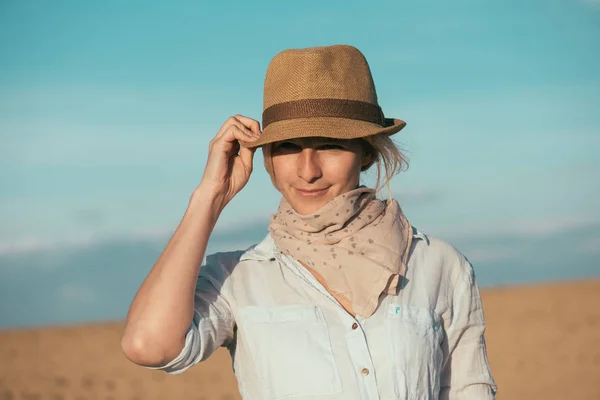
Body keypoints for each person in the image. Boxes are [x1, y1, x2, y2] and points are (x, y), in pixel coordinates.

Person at [121, 44, 497, 400]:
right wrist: (209, 197)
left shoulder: (440, 266)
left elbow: (470, 390)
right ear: (266, 155)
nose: (308, 171)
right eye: (287, 147)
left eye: (331, 144)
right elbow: (148, 345)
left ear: (366, 153)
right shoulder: (239, 277)